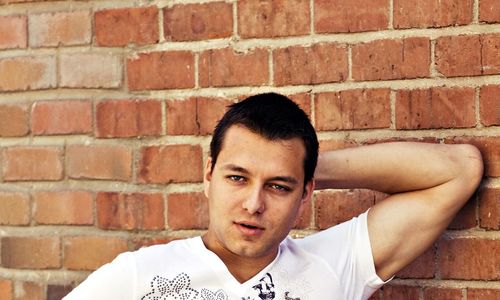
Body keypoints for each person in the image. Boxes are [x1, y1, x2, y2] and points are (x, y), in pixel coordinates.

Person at [64, 93, 483, 300]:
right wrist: (280, 173)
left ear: (306, 195)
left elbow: (458, 170)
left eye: (277, 187)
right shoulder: (138, 276)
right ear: (208, 177)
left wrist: (302, 170)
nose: (254, 204)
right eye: (237, 178)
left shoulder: (332, 267)